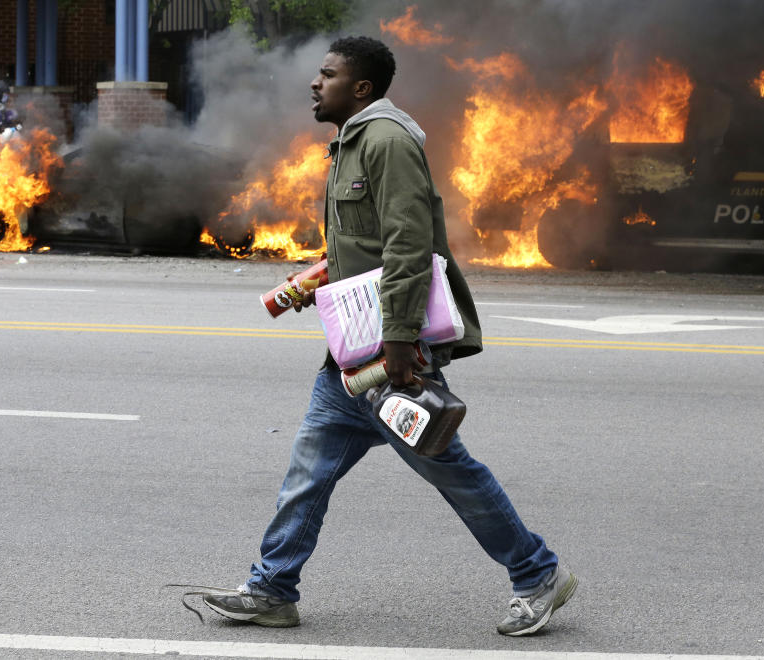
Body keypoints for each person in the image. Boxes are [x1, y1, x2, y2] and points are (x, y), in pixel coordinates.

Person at [192, 36, 577, 636]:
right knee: (307, 475)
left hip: (390, 352)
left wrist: (400, 341)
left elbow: (407, 244)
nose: (315, 83)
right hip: (350, 357)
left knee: (451, 470)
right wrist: (318, 279)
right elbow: (363, 242)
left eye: (328, 75)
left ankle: (537, 574)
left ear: (361, 88)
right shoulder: (349, 141)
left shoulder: (388, 141)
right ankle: (272, 589)